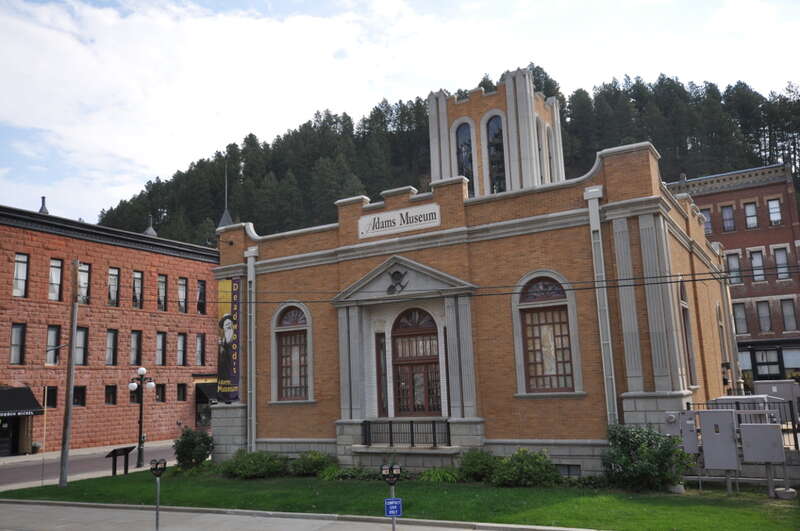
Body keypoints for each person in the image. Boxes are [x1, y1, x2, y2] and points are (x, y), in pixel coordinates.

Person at [217, 313, 238, 402]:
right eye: (226, 324)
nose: (228, 326)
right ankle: (224, 396)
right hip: (224, 367)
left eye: (230, 323)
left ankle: (231, 396)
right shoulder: (223, 339)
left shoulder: (235, 336)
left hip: (232, 364)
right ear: (224, 327)